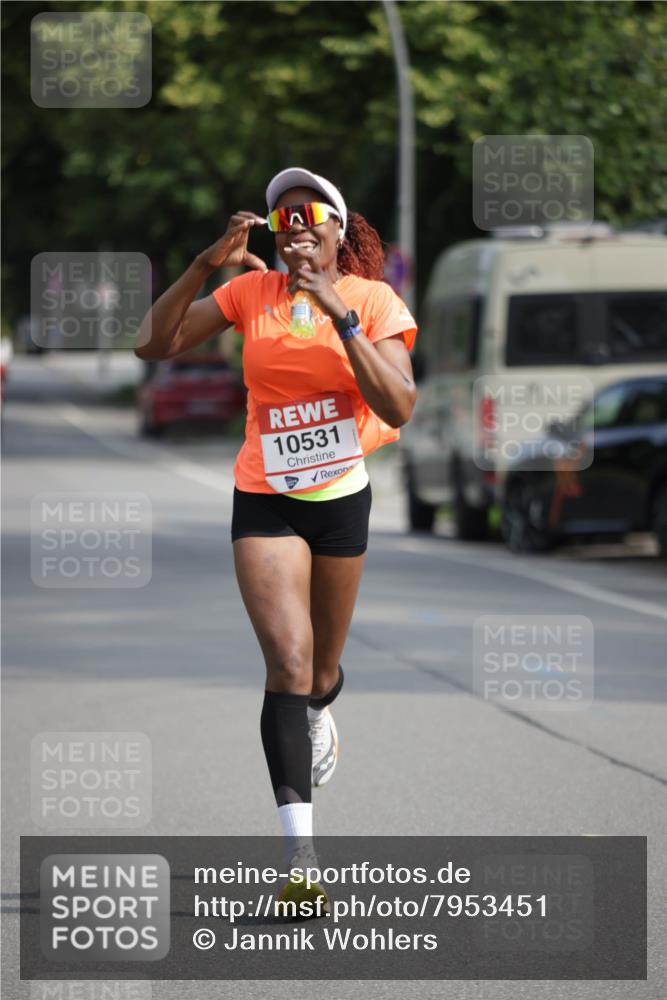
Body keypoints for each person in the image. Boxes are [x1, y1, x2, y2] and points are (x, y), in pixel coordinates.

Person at [136, 167, 417, 904]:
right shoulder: (250, 293)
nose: (295, 228)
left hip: (340, 499)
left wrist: (338, 311)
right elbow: (151, 345)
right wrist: (206, 264)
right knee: (288, 663)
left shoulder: (373, 300)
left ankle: (321, 706)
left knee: (320, 672)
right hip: (265, 496)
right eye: (282, 218)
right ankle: (301, 859)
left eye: (309, 215)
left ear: (337, 230)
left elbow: (399, 403)